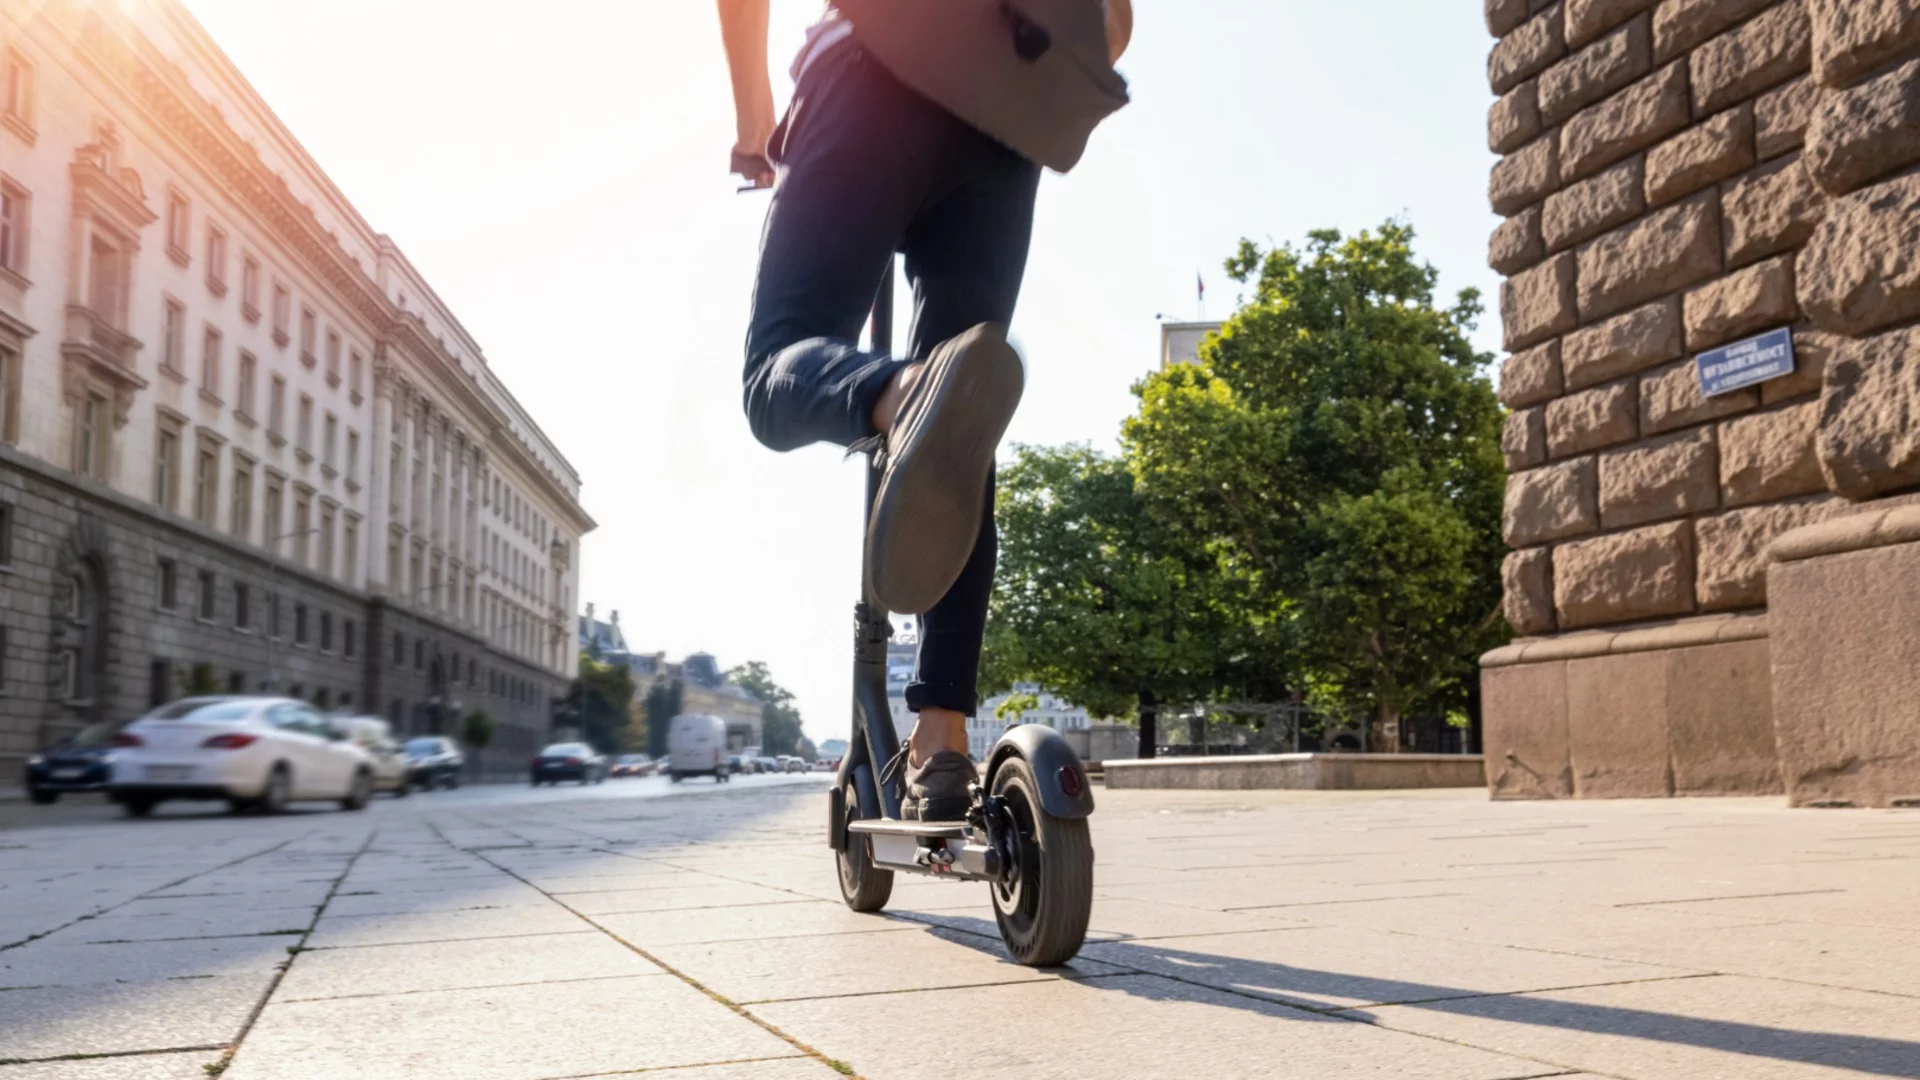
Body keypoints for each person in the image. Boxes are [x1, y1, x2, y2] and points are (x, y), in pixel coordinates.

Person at [718, 0, 1131, 819]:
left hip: (873, 65)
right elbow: (1111, 23)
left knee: (777, 372)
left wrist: (755, 122)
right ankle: (942, 742)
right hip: (1010, 114)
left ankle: (900, 392)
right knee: (959, 437)